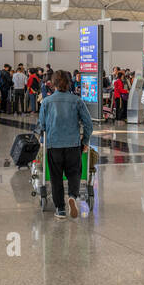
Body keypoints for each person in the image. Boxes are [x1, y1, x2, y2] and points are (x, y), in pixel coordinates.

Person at [37, 71, 93, 220]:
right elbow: (88, 124)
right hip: (73, 144)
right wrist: (85, 141)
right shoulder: (77, 100)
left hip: (54, 144)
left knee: (55, 178)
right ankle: (73, 196)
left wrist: (43, 140)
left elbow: (41, 124)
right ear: (69, 83)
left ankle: (60, 209)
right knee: (74, 173)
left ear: (53, 83)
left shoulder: (46, 102)